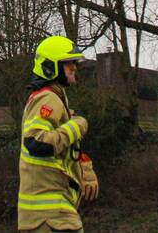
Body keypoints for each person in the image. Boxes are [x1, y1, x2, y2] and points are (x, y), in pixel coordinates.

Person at [18, 35, 100, 232]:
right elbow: (37, 143)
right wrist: (77, 126)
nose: (74, 67)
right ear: (51, 66)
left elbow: (64, 149)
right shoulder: (47, 99)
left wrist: (85, 169)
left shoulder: (55, 98)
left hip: (53, 215)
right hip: (50, 217)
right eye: (68, 63)